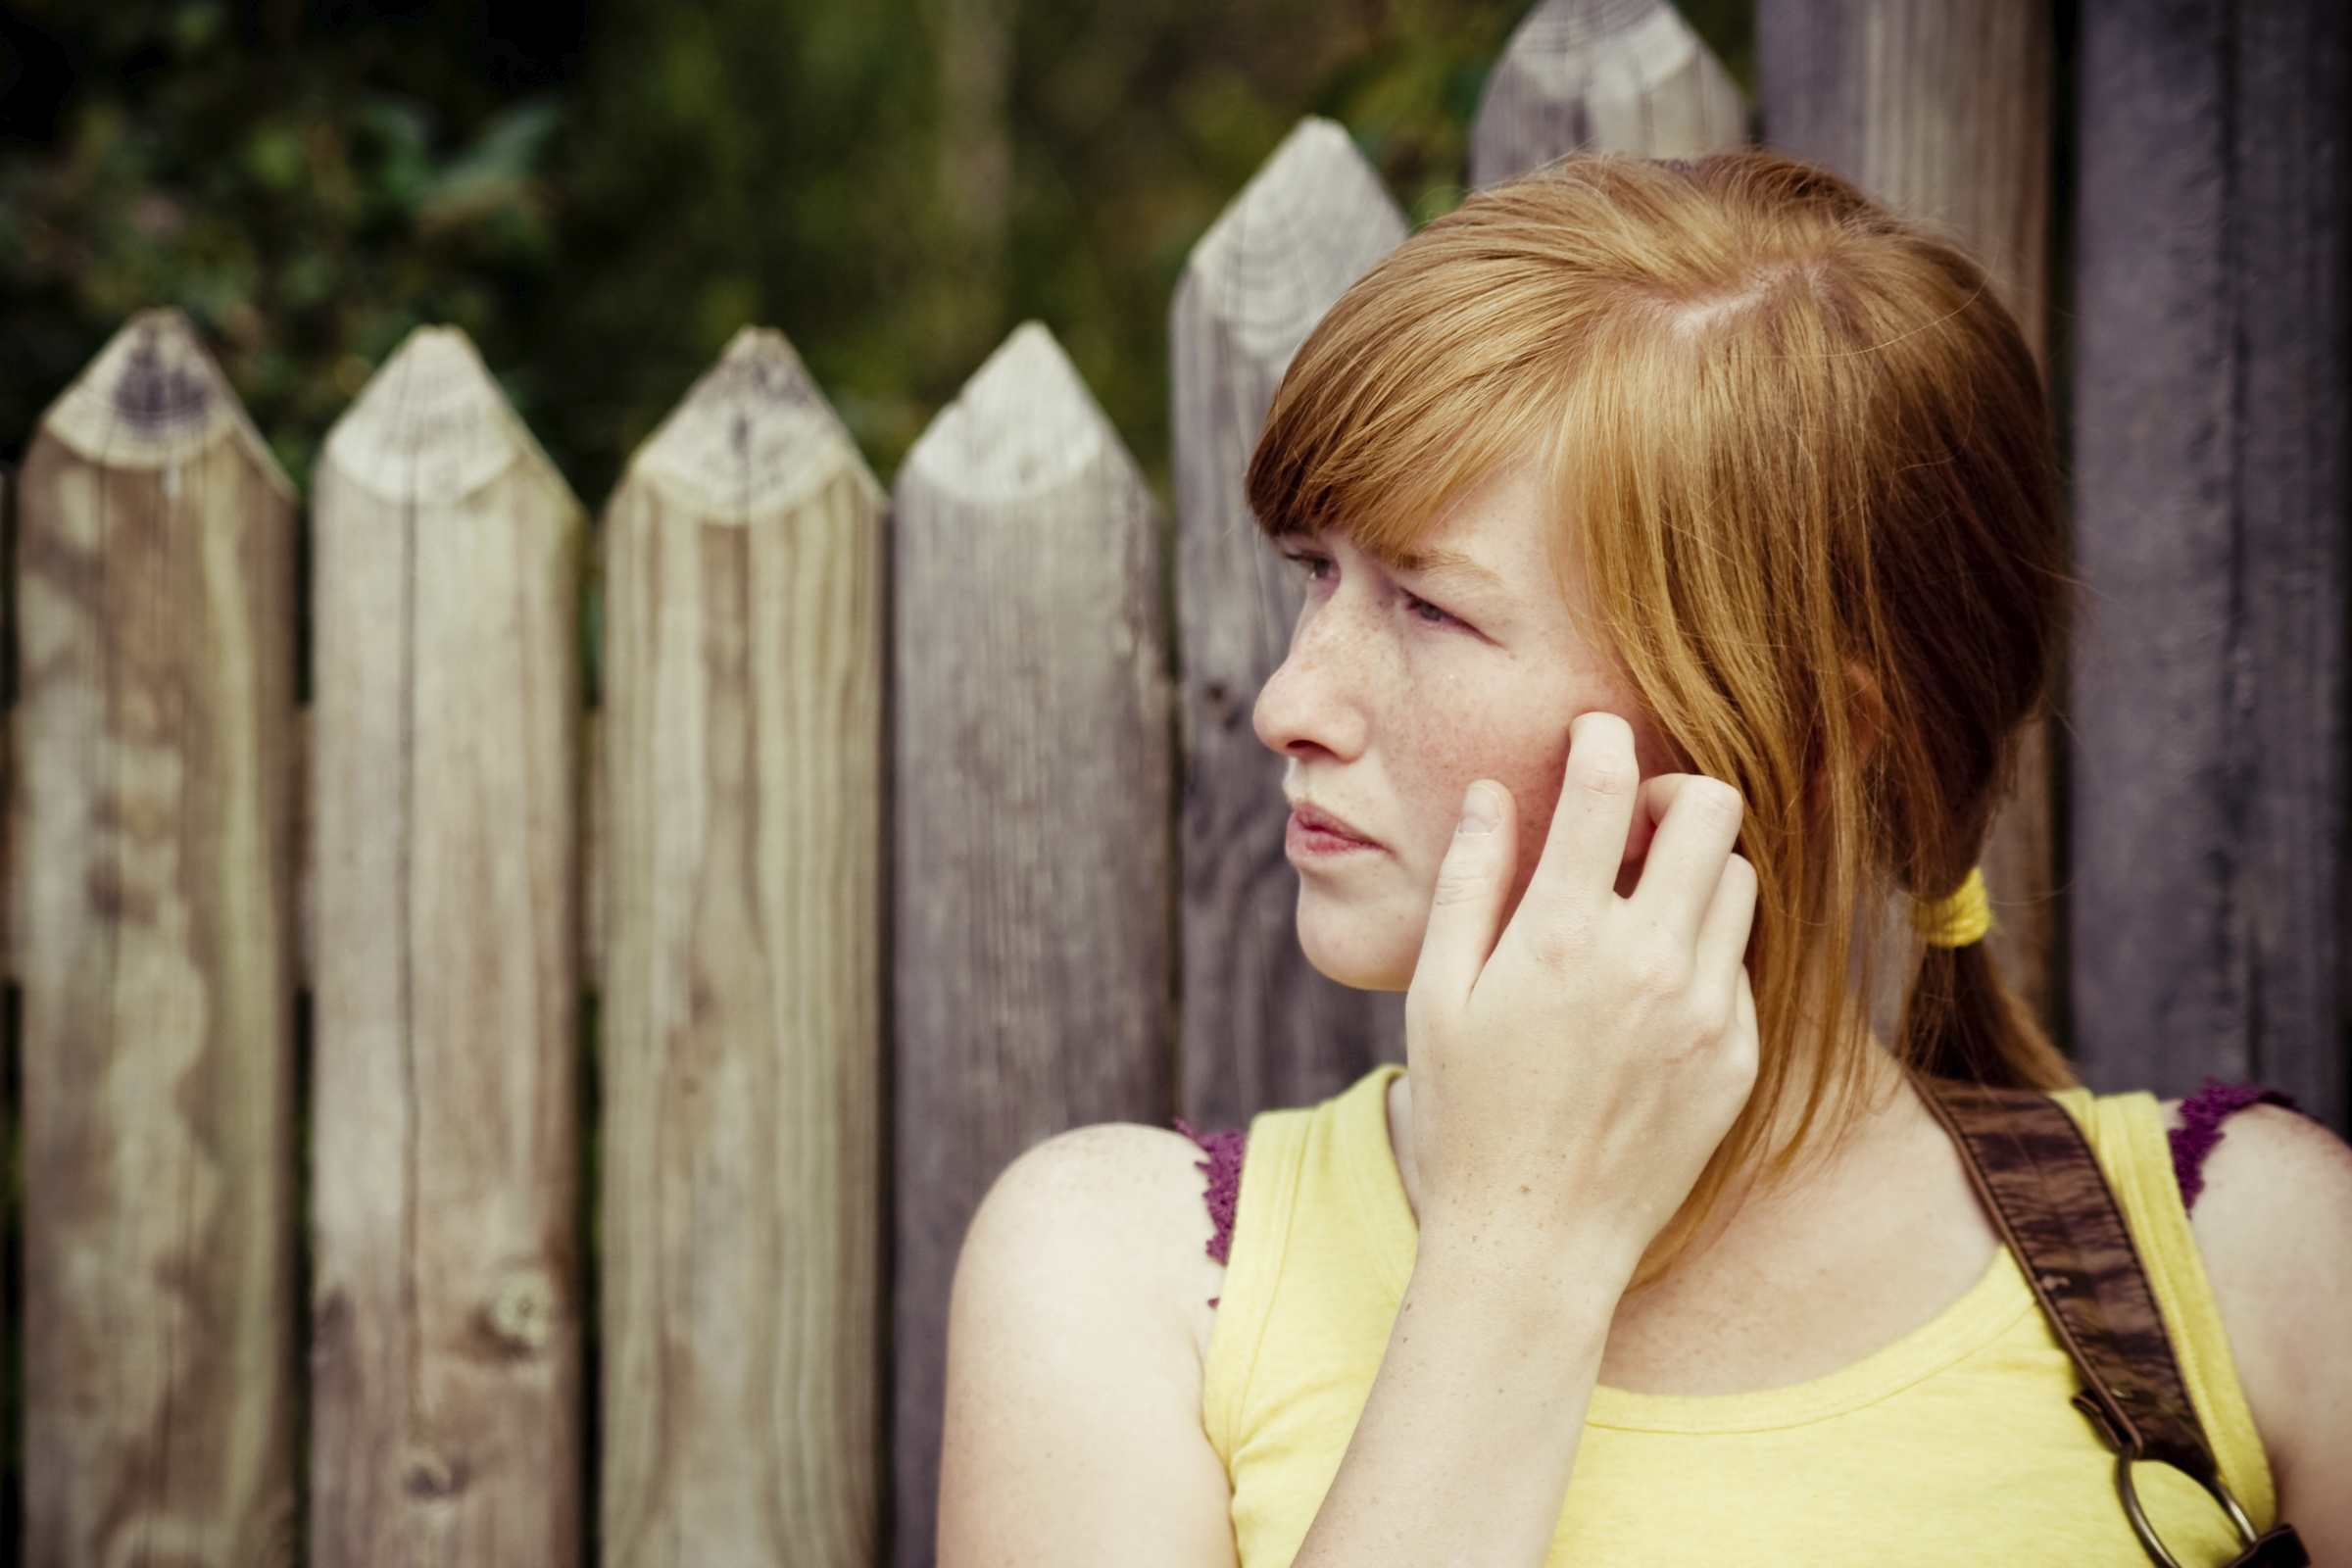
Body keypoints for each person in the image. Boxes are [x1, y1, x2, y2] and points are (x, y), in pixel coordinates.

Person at [934, 152, 2352, 1566]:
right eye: (1319, 573)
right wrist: (1518, 1254)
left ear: (1811, 735)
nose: (1289, 701)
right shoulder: (1126, 1281)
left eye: (1429, 608)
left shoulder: (2256, 1270)